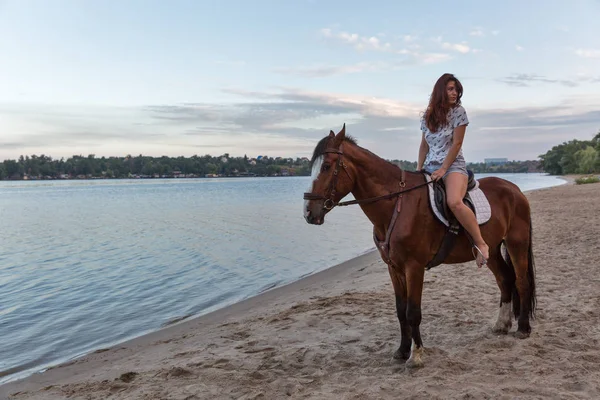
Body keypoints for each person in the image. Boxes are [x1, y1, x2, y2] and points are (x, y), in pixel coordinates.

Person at [416, 73, 489, 268]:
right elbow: (424, 145)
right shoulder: (427, 115)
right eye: (450, 89)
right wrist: (418, 168)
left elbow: (457, 144)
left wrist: (443, 169)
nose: (454, 93)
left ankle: (480, 243)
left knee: (454, 202)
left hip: (453, 166)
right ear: (440, 91)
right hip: (429, 166)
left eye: (456, 89)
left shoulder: (459, 112)